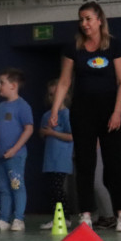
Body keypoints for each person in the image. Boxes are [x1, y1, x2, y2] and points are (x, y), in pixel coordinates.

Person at [50, 2, 121, 231]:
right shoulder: (73, 47)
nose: (84, 23)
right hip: (82, 110)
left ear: (99, 20)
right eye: (81, 19)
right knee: (85, 163)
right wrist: (56, 109)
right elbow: (65, 82)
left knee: (113, 164)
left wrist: (117, 112)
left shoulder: (115, 45)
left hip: (109, 110)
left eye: (88, 19)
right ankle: (85, 214)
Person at [0, 68, 33, 231]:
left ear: (13, 85)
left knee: (16, 185)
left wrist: (14, 149)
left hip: (14, 156)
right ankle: (4, 217)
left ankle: (18, 218)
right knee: (2, 188)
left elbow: (28, 129)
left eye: (2, 83)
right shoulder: (0, 106)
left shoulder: (22, 106)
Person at [39, 79, 73, 231]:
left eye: (56, 94)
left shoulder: (66, 114)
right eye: (51, 94)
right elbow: (42, 133)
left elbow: (72, 136)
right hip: (49, 159)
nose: (53, 98)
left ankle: (65, 217)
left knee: (59, 189)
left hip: (62, 159)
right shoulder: (47, 115)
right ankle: (56, 217)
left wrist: (53, 132)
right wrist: (45, 132)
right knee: (51, 190)